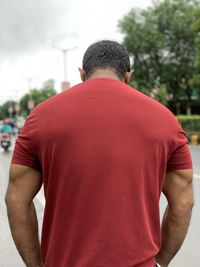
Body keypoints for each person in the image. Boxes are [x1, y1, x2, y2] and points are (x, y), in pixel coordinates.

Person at [5, 40, 194, 267]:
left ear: (82, 74)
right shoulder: (165, 121)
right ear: (128, 75)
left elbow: (16, 199)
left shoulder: (40, 118)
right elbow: (183, 202)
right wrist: (160, 263)